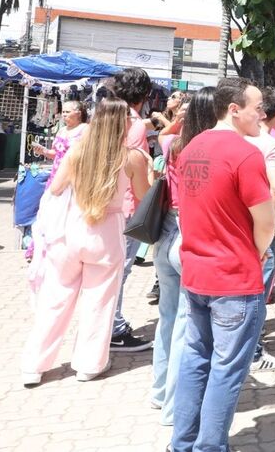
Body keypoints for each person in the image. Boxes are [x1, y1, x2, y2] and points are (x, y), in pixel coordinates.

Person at [171, 78, 275, 452]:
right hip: (233, 278)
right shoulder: (245, 154)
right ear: (234, 109)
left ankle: (183, 443)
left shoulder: (190, 148)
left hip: (197, 274)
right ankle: (209, 446)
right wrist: (259, 251)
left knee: (195, 359)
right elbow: (266, 221)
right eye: (257, 107)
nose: (262, 114)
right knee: (227, 370)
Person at [21, 97, 152, 386]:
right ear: (123, 124)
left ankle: (34, 364)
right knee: (100, 300)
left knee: (56, 299)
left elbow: (55, 188)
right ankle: (89, 364)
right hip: (107, 233)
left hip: (70, 230)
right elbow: (144, 196)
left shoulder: (77, 152)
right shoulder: (131, 158)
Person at [149, 87, 217, 426]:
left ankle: (159, 391)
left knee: (167, 317)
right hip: (189, 234)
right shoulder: (205, 151)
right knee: (184, 326)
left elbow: (163, 132)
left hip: (164, 234)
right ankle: (174, 409)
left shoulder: (171, 145)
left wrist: (177, 120)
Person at [110, 67, 155, 353]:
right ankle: (114, 327)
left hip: (105, 202)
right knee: (120, 269)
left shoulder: (106, 117)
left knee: (110, 269)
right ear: (145, 94)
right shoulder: (134, 125)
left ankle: (107, 324)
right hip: (128, 205)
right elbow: (136, 172)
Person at [246, 87, 275, 373]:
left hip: (238, 224)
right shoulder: (271, 145)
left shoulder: (239, 138)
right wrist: (272, 227)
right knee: (257, 294)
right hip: (263, 226)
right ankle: (253, 352)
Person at [32, 100, 90, 185]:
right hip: (57, 174)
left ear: (78, 113)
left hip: (76, 175)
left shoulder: (86, 129)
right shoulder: (61, 131)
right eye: (63, 112)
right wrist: (44, 151)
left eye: (68, 112)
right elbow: (56, 154)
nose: (64, 114)